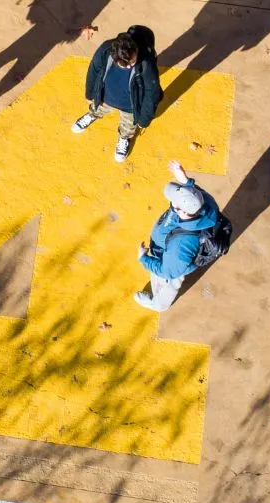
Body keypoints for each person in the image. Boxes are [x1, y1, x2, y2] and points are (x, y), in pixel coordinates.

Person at [137, 161, 222, 312]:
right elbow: (196, 194)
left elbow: (168, 271)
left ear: (182, 212)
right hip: (170, 248)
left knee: (168, 282)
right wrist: (185, 181)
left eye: (173, 203)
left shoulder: (181, 246)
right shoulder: (205, 204)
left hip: (167, 259)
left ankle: (157, 304)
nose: (171, 202)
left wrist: (144, 258)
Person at [73, 26, 163, 163]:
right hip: (104, 97)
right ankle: (92, 115)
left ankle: (124, 137)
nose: (128, 66)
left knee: (128, 125)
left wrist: (144, 119)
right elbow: (94, 69)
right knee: (97, 108)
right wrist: (89, 93)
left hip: (131, 106)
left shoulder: (146, 64)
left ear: (136, 50)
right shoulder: (106, 49)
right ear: (113, 56)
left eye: (131, 62)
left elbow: (152, 92)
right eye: (123, 64)